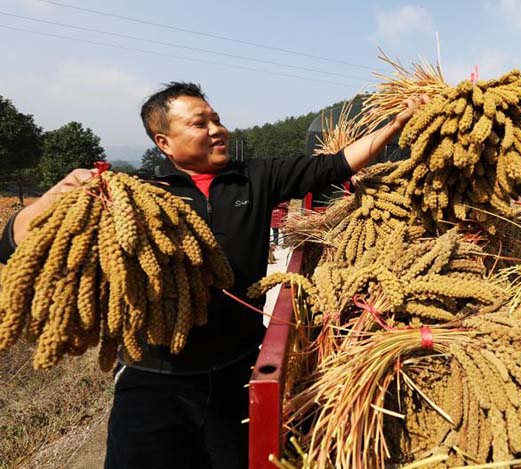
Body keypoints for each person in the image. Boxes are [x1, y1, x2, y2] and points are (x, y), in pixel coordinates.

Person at [0, 82, 427, 469]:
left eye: (217, 119)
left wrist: (396, 125)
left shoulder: (255, 177)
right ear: (164, 141)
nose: (216, 129)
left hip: (236, 368)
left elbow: (334, 166)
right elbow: (17, 244)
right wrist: (54, 198)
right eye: (199, 123)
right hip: (154, 376)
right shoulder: (143, 194)